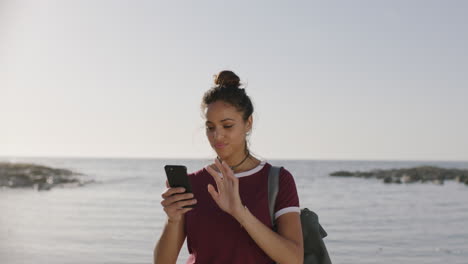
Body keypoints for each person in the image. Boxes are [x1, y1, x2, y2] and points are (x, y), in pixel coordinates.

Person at [154, 70, 303, 264]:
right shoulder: (193, 183)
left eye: (227, 125)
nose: (217, 136)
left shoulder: (277, 180)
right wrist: (172, 220)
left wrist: (240, 213)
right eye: (210, 127)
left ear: (248, 123)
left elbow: (294, 259)